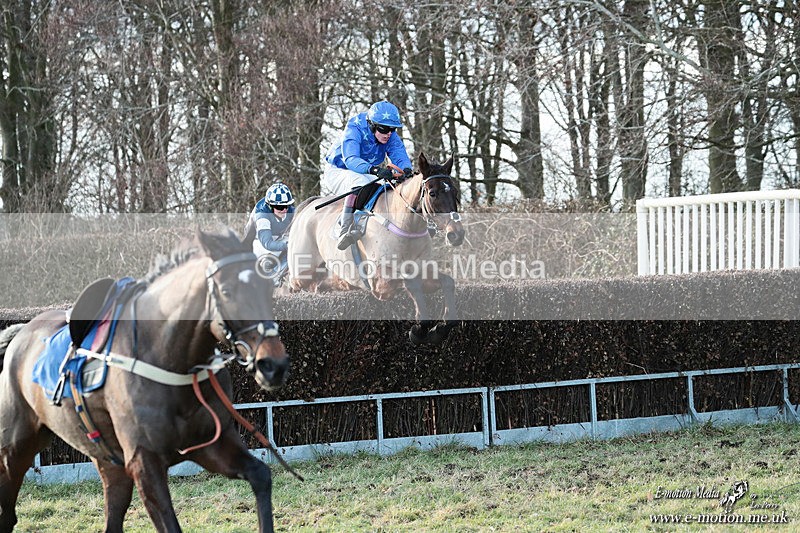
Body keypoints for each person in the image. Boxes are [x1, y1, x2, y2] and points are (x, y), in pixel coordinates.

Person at [323, 100, 414, 250]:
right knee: (360, 181)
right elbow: (351, 159)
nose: (389, 133)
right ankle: (344, 229)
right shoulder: (354, 128)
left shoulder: (389, 135)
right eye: (384, 129)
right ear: (372, 125)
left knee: (386, 186)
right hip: (338, 170)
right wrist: (376, 170)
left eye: (392, 129)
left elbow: (400, 155)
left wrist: (407, 170)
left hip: (363, 171)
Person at [246, 182, 295, 285]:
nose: (284, 210)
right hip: (258, 243)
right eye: (280, 208)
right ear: (270, 206)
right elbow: (267, 243)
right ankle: (272, 277)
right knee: (289, 247)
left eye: (286, 206)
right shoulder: (262, 216)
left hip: (276, 237)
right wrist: (288, 246)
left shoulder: (289, 209)